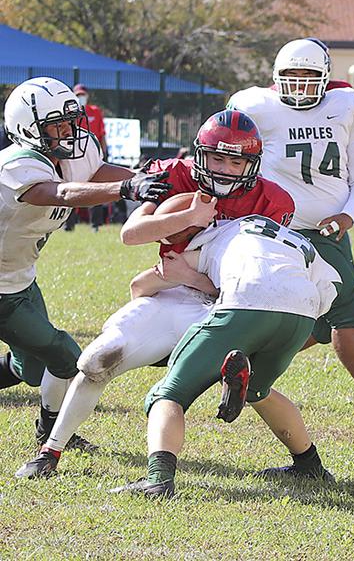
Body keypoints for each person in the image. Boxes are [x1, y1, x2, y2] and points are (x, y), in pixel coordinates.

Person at [15, 110, 296, 479]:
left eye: (235, 161)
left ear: (251, 164)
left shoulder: (273, 201)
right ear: (200, 154)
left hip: (229, 305)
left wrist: (191, 278)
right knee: (96, 360)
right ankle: (50, 452)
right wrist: (187, 218)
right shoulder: (176, 175)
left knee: (196, 386)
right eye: (217, 158)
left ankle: (228, 388)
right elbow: (131, 234)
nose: (226, 169)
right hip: (174, 296)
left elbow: (264, 281)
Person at [228, 37, 354, 420]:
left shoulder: (347, 107)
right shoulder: (256, 108)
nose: (299, 84)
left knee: (318, 323)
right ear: (276, 77)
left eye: (308, 76)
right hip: (277, 229)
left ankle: (238, 367)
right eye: (291, 76)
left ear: (325, 78)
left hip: (328, 231)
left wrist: (348, 216)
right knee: (350, 314)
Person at [110, 214, 340, 497]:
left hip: (244, 302)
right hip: (302, 312)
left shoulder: (215, 234)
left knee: (168, 394)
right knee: (258, 391)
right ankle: (310, 465)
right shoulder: (294, 239)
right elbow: (331, 287)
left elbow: (141, 284)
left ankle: (158, 480)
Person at [0, 77, 171, 451]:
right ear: (28, 129)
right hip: (0, 288)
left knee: (29, 367)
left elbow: (95, 172)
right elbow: (57, 192)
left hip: (19, 278)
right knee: (64, 355)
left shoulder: (75, 152)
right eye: (55, 125)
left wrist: (144, 180)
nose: (67, 131)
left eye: (69, 120)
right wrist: (124, 190)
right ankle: (52, 433)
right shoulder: (16, 164)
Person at [73, 84, 112, 232]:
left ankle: (95, 224)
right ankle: (68, 224)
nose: (80, 98)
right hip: (76, 156)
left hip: (94, 156)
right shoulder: (70, 113)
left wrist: (102, 154)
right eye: (77, 95)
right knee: (73, 188)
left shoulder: (95, 111)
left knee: (96, 189)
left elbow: (102, 135)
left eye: (82, 95)